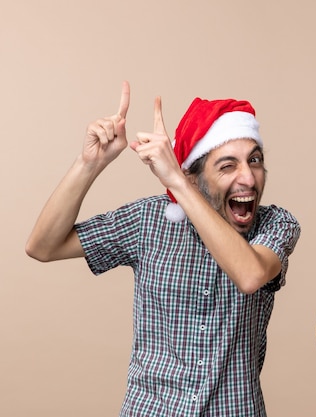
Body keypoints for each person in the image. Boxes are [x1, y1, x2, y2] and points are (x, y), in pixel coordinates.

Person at [25, 81, 301, 416]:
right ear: (195, 177)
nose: (249, 177)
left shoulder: (276, 224)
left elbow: (250, 275)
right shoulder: (148, 220)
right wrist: (89, 164)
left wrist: (176, 183)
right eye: (228, 165)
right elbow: (43, 246)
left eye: (254, 160)